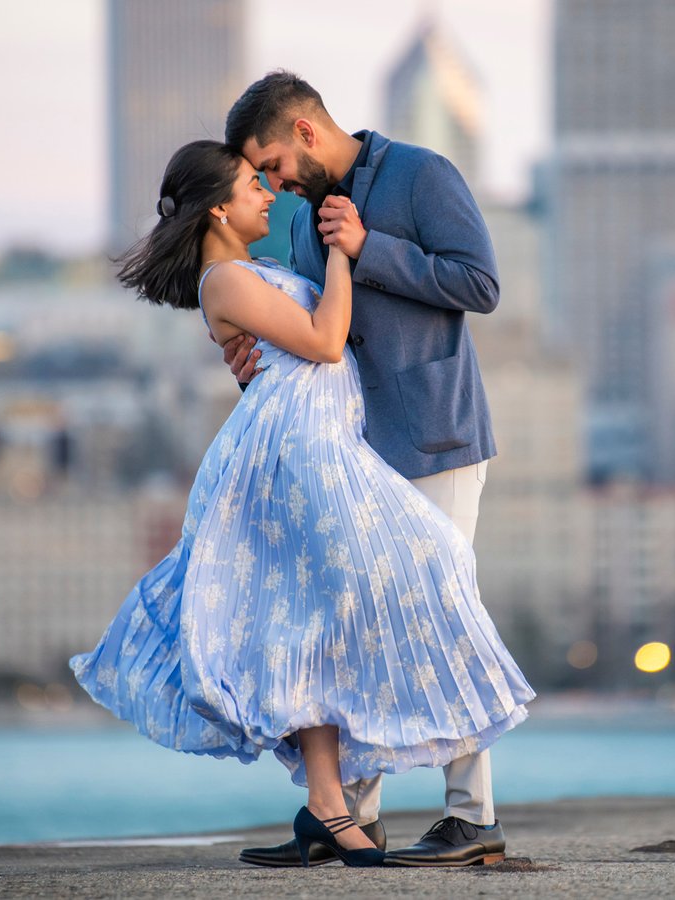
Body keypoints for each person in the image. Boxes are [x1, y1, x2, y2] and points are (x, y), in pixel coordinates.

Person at [68, 138, 534, 869]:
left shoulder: (254, 269)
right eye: (255, 183)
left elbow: (291, 353)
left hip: (325, 445)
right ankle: (382, 809)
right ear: (219, 205)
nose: (269, 193)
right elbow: (324, 340)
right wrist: (347, 254)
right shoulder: (226, 278)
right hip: (307, 458)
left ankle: (332, 808)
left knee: (319, 622)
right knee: (410, 579)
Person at [221, 71, 511, 868]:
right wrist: (256, 361)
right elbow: (326, 330)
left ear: (306, 133)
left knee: (440, 615)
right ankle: (354, 819)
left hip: (435, 438)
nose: (273, 183)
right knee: (352, 633)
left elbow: (480, 284)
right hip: (351, 449)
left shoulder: (424, 174)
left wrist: (368, 248)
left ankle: (471, 816)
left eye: (274, 163)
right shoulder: (306, 215)